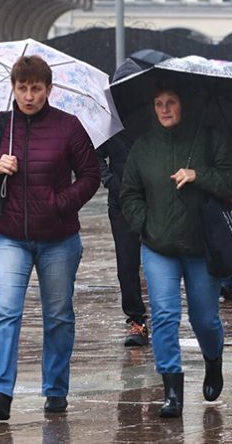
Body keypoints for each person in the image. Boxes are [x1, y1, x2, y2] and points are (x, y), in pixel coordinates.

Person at [0, 55, 100, 420]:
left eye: (36, 88)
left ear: (48, 89)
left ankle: (56, 389)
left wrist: (62, 203)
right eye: (22, 88)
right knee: (5, 311)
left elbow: (90, 174)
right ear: (12, 88)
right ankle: (0, 391)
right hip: (9, 236)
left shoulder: (68, 126)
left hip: (59, 238)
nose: (29, 96)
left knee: (58, 315)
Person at [120, 83, 232, 418]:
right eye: (158, 103)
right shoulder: (144, 146)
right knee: (163, 315)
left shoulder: (208, 138)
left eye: (170, 102)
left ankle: (213, 360)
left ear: (183, 105)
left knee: (204, 318)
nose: (164, 109)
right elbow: (128, 193)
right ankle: (172, 391)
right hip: (158, 245)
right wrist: (145, 223)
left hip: (201, 245)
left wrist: (198, 175)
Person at [96, 60, 150, 347]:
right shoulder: (108, 121)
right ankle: (136, 321)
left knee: (159, 262)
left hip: (155, 201)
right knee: (126, 265)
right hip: (120, 203)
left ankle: (164, 318)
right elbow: (96, 156)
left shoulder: (153, 115)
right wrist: (110, 181)